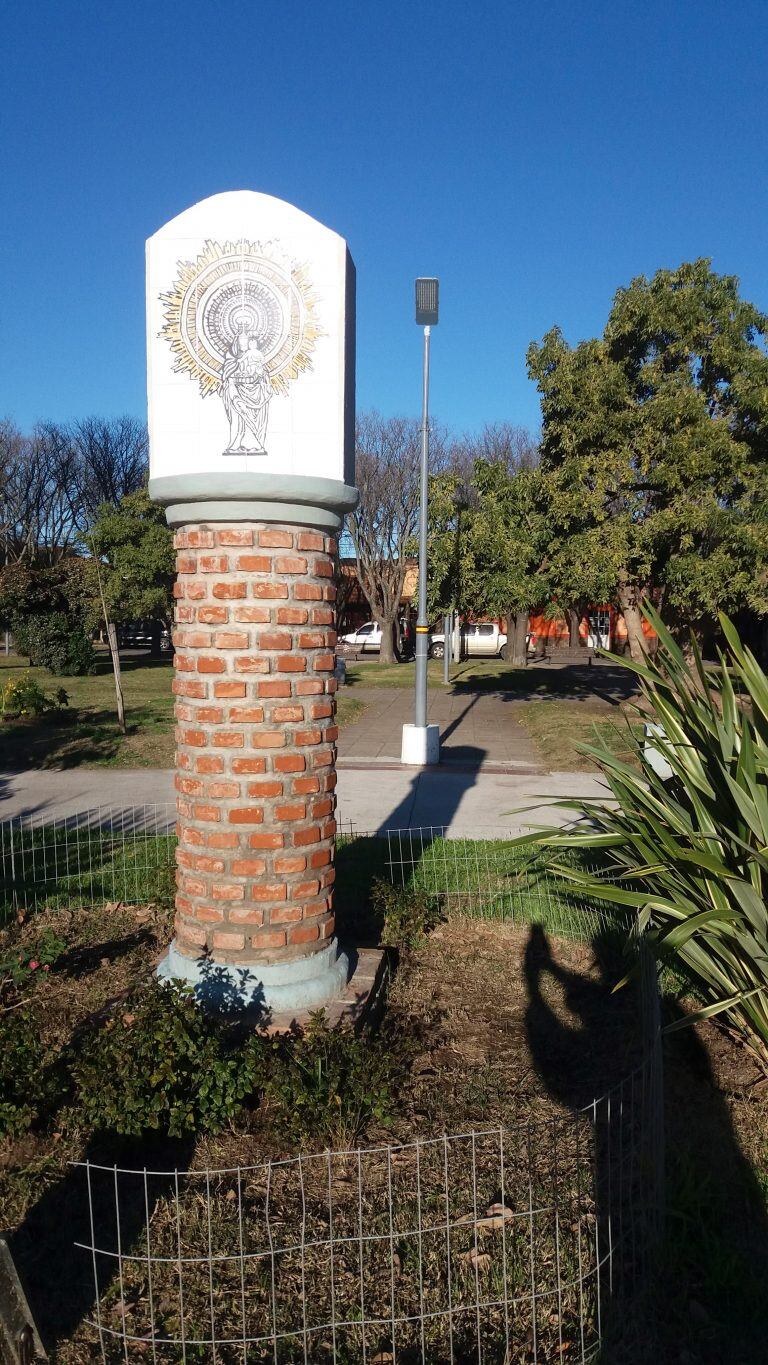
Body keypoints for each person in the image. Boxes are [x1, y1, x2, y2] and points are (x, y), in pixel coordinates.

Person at [221, 328, 272, 454]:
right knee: (238, 416)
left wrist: (260, 375)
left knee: (252, 417)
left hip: (255, 390)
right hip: (235, 392)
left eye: (247, 340)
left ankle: (255, 445)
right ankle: (235, 444)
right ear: (236, 341)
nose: (244, 342)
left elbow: (262, 370)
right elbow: (227, 374)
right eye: (241, 339)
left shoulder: (254, 354)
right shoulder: (231, 355)